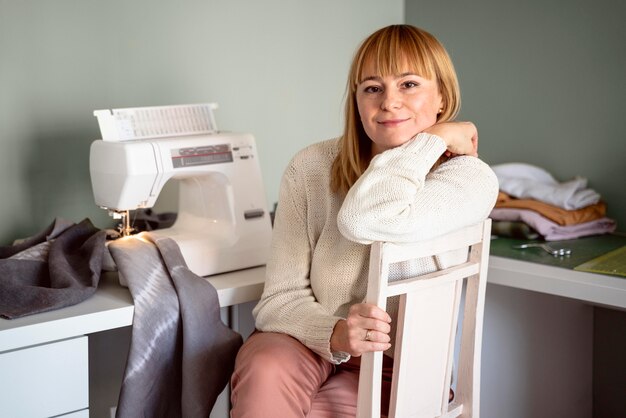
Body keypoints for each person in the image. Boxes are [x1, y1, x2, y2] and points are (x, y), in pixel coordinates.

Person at [230, 24, 499, 417]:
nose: (389, 102)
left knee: (321, 410)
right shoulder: (311, 167)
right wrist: (337, 332)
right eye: (372, 88)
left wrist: (431, 140)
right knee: (265, 370)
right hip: (308, 338)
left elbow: (365, 217)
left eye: (409, 84)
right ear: (356, 100)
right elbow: (279, 300)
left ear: (442, 97)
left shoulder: (469, 178)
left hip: (403, 363)